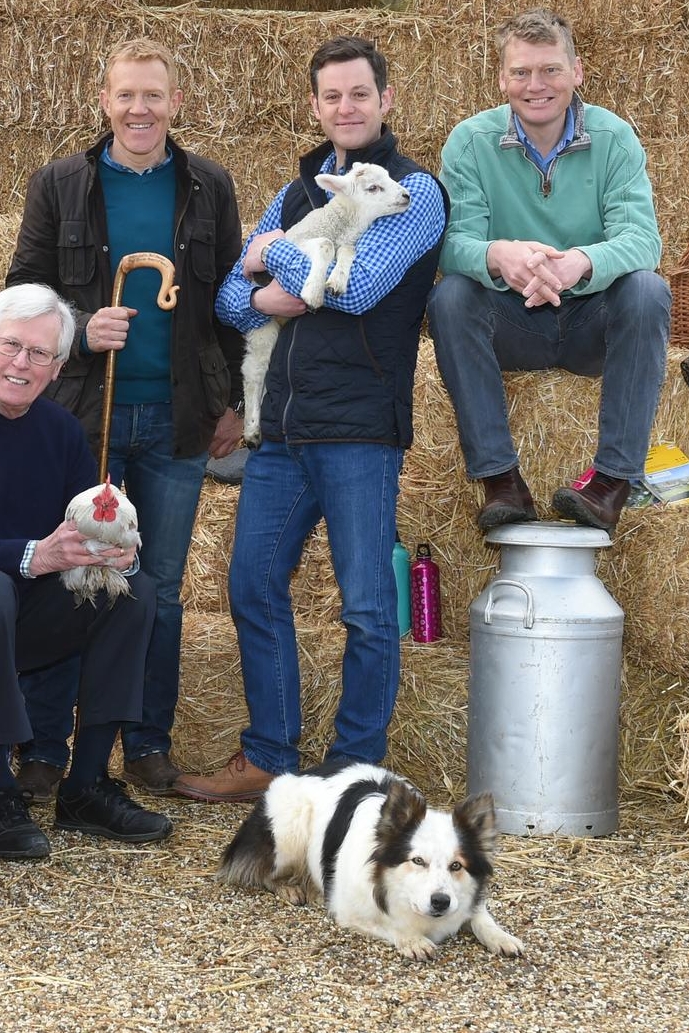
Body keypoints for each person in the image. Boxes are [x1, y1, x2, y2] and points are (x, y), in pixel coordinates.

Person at [175, 36, 446, 803]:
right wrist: (267, 286)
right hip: (284, 430)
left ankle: (357, 768)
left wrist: (276, 260)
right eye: (331, 96)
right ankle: (271, 755)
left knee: (365, 605)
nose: (345, 108)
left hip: (359, 424)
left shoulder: (416, 192)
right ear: (316, 104)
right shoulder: (298, 196)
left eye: (359, 93)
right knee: (251, 584)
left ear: (386, 100)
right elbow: (231, 298)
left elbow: (359, 289)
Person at [3, 38, 245, 799]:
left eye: (154, 96)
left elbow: (230, 304)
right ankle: (45, 744)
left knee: (159, 586)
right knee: (72, 570)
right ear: (103, 101)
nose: (140, 109)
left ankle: (145, 740)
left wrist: (235, 398)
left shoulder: (209, 185)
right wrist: (80, 323)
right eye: (126, 96)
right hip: (85, 418)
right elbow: (22, 292)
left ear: (176, 102)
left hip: (178, 421)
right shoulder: (61, 184)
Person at [0, 283, 172, 859]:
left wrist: (115, 552)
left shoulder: (61, 431)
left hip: (26, 610)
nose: (22, 364)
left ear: (59, 367)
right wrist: (32, 555)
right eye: (11, 345)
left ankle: (88, 784)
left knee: (133, 591)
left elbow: (82, 525)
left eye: (40, 354)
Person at [427, 8, 671, 534]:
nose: (536, 86)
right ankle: (501, 481)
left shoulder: (614, 138)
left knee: (648, 290)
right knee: (449, 299)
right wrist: (499, 256)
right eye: (521, 73)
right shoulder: (470, 142)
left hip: (591, 325)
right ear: (501, 79)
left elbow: (643, 240)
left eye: (550, 70)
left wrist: (583, 262)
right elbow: (449, 242)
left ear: (577, 71)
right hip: (513, 324)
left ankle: (611, 484)